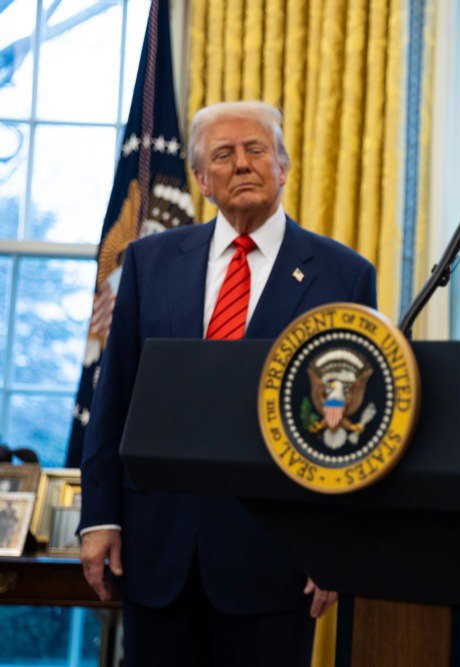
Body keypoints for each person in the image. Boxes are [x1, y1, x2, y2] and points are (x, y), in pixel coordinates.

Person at [79, 100, 376, 665]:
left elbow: (352, 430)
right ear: (201, 179)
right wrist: (100, 517)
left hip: (276, 560)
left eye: (256, 150)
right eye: (223, 154)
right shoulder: (147, 263)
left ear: (282, 167)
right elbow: (114, 395)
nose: (242, 164)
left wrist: (335, 546)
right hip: (156, 550)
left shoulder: (344, 275)